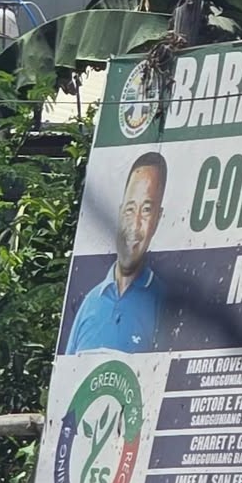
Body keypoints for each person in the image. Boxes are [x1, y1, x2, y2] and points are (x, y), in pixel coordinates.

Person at [64, 152, 169, 355]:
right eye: (130, 209)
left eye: (146, 210)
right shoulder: (91, 302)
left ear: (158, 218)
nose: (135, 223)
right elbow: (68, 377)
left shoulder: (163, 303)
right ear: (120, 213)